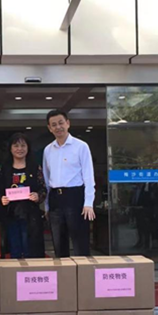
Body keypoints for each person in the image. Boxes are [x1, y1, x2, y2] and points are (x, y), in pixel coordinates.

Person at [43, 109, 96, 257]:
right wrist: (47, 206)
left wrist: (88, 203)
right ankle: (63, 271)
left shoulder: (81, 146)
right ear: (49, 128)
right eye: (54, 124)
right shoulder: (48, 150)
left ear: (68, 123)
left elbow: (89, 176)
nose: (58, 127)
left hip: (75, 196)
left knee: (80, 243)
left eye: (61, 123)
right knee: (58, 243)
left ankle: (83, 271)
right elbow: (47, 179)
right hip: (55, 198)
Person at [1, 133, 47, 258]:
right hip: (11, 214)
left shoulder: (34, 167)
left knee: (30, 249)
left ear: (28, 148)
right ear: (10, 148)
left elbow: (43, 188)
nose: (19, 149)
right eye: (16, 146)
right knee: (14, 249)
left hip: (31, 215)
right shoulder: (5, 168)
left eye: (23, 146)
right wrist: (2, 198)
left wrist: (38, 196)